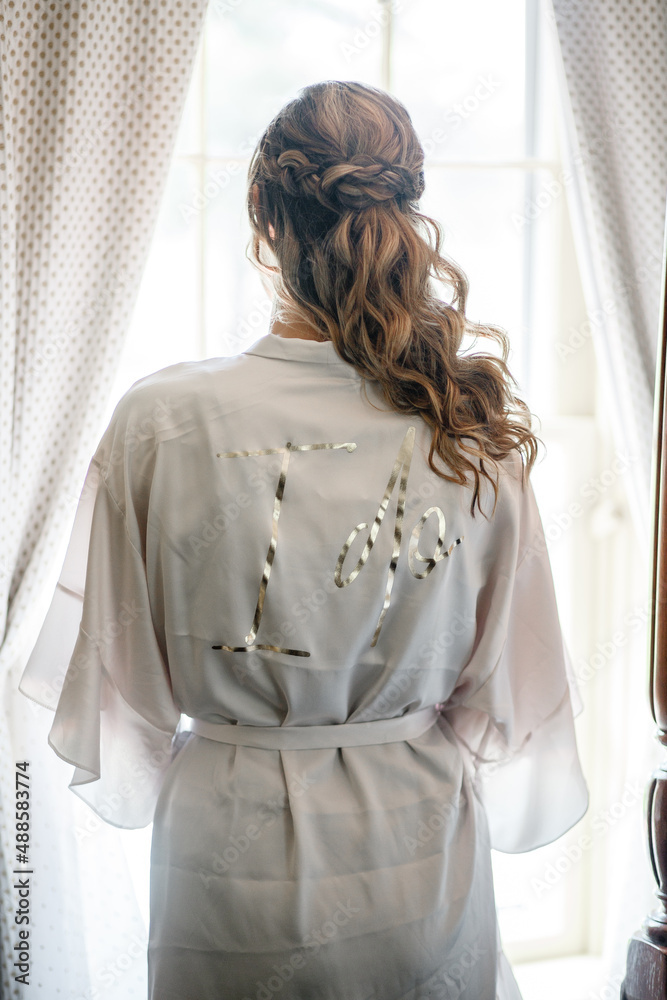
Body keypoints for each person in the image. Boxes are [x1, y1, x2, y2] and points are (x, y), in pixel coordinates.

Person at [20, 80, 588, 999]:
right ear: (404, 209)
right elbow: (509, 700)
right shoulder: (465, 424)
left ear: (262, 215)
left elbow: (121, 702)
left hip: (224, 853)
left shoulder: (161, 420)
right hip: (415, 851)